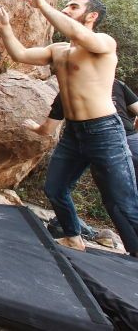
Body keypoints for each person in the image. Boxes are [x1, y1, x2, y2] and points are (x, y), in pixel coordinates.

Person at [0, 0, 138, 256]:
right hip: (73, 132)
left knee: (121, 201)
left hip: (104, 130)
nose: (66, 10)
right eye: (67, 6)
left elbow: (77, 33)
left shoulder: (103, 43)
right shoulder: (58, 50)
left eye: (74, 7)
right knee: (55, 188)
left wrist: (43, 5)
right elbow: (20, 54)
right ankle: (72, 236)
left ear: (91, 16)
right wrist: (5, 27)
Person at [24, 78, 138, 243]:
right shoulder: (115, 83)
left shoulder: (70, 89)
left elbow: (47, 129)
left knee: (119, 201)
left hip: (103, 143)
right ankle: (133, 251)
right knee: (123, 200)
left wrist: (34, 126)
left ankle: (132, 249)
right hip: (129, 141)